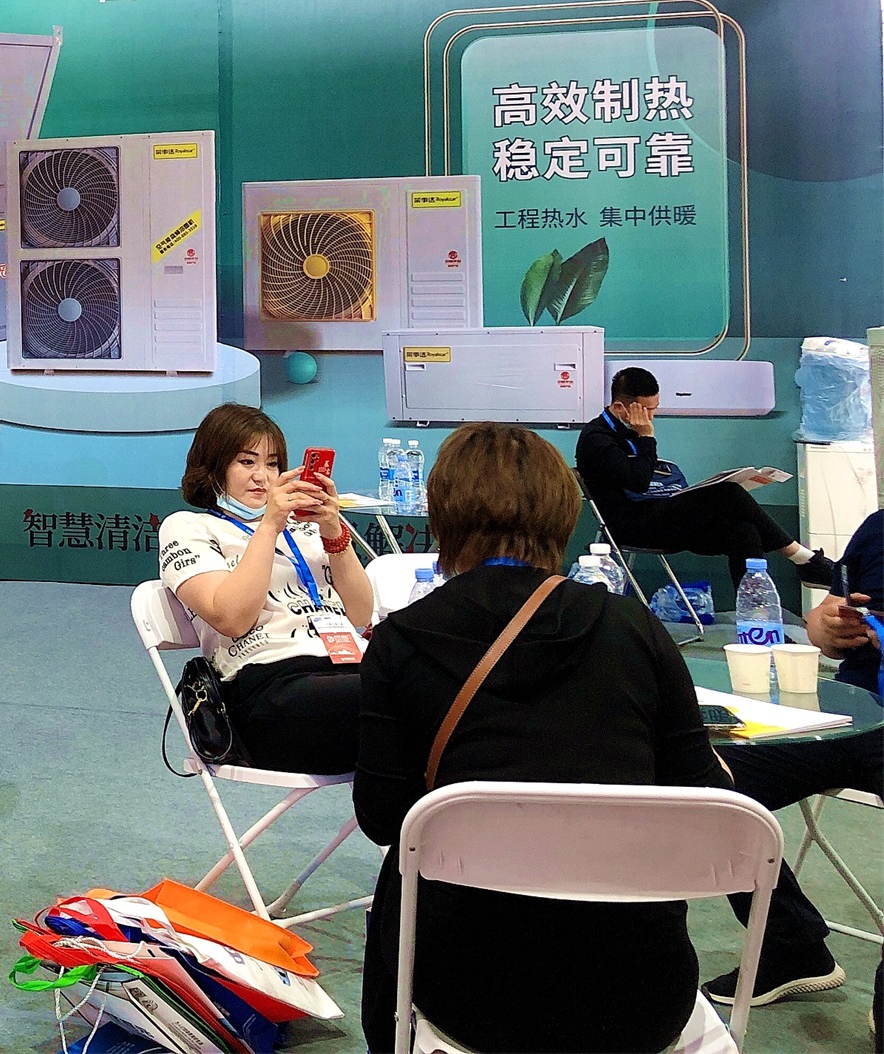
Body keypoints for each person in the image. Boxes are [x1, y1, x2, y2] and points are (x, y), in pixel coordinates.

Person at [356, 422, 727, 1053]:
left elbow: (384, 816)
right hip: (641, 996)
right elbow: (704, 797)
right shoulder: (633, 626)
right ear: (563, 511)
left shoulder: (401, 640)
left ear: (441, 514)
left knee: (408, 858)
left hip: (471, 997)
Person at [707, 506, 881, 1013]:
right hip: (853, 715)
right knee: (697, 779)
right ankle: (791, 947)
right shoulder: (877, 529)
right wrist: (829, 627)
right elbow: (824, 623)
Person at [157, 404, 373, 774]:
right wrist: (270, 526)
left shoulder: (306, 530)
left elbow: (360, 613)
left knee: (439, 697)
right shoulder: (189, 528)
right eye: (247, 462)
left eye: (272, 464)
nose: (262, 477)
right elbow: (233, 618)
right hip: (267, 688)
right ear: (213, 467)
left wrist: (334, 532)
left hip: (350, 668)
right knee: (406, 703)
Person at [578, 366, 834, 594]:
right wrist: (646, 437)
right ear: (620, 407)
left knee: (745, 532)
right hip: (630, 525)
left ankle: (754, 613)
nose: (651, 418)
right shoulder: (597, 438)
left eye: (654, 409)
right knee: (728, 493)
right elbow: (638, 482)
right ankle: (804, 559)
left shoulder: (629, 430)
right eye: (647, 411)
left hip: (658, 514)